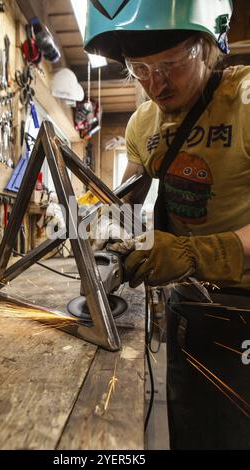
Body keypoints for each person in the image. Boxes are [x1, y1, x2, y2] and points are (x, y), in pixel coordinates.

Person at [84, 0, 250, 450]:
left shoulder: (246, 100)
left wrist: (196, 253)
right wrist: (100, 219)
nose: (156, 83)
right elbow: (125, 202)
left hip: (245, 309)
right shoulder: (141, 123)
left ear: (206, 45)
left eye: (171, 64)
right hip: (188, 307)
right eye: (139, 68)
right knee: (192, 431)